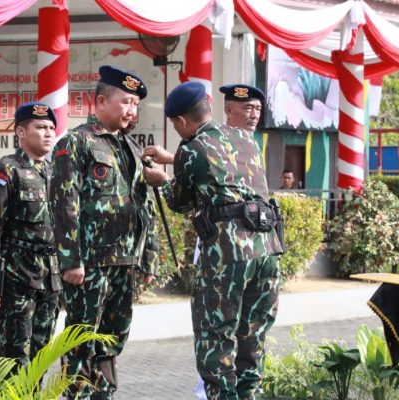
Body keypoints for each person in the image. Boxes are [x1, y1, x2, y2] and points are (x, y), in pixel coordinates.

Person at [143, 81, 284, 400]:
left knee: (216, 344)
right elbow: (223, 173)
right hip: (267, 251)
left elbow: (179, 202)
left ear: (180, 121)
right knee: (252, 341)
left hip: (228, 255)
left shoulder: (191, 150)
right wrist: (174, 160)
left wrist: (162, 179)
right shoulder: (246, 140)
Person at [50, 65, 159, 400]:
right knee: (82, 338)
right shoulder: (76, 143)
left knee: (112, 339)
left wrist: (149, 257)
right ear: (100, 101)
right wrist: (71, 260)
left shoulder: (130, 148)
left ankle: (104, 394)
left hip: (124, 261)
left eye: (135, 104)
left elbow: (144, 206)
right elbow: (63, 204)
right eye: (125, 102)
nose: (131, 110)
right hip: (89, 265)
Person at [0, 102, 61, 396]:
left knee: (40, 358)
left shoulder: (53, 171)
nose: (48, 133)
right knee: (14, 359)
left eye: (51, 128)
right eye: (41, 127)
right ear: (20, 132)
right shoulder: (6, 170)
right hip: (17, 280)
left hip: (50, 280)